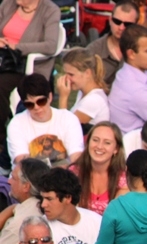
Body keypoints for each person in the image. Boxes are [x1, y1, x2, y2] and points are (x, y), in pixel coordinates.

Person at [0, 0, 60, 169]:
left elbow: (50, 45)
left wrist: (18, 47)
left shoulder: (49, 10)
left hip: (27, 65)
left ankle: (2, 141)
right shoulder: (7, 5)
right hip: (4, 60)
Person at [84, 1, 147, 89]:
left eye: (127, 24)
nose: (121, 28)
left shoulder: (146, 42)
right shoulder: (94, 50)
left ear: (136, 25)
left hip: (143, 97)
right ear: (110, 20)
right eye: (117, 22)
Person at [7, 74, 84, 167]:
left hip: (62, 177)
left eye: (41, 101)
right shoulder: (17, 124)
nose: (36, 107)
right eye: (30, 104)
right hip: (28, 179)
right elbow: (22, 162)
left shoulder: (68, 119)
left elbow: (76, 155)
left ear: (50, 97)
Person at [37, 168, 102, 244]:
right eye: (42, 198)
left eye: (49, 199)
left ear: (67, 198)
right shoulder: (40, 228)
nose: (43, 204)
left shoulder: (97, 222)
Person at [71, 121, 129, 216]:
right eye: (95, 140)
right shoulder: (73, 173)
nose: (99, 146)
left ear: (116, 149)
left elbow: (117, 217)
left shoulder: (124, 180)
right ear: (88, 142)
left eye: (107, 143)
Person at [0, 159, 49, 244]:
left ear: (26, 186)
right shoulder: (34, 206)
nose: (9, 181)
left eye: (13, 178)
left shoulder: (20, 223)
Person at [56, 48, 109, 128]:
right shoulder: (82, 92)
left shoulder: (93, 100)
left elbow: (66, 128)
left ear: (87, 73)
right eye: (66, 74)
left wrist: (63, 97)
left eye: (71, 74)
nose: (67, 78)